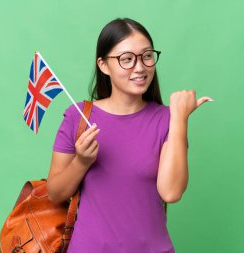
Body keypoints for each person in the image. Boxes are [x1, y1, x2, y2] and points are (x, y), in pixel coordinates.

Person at [47, 18, 213, 253]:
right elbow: (55, 194)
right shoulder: (77, 116)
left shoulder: (168, 119)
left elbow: (171, 192)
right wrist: (81, 162)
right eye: (127, 59)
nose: (140, 67)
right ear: (104, 65)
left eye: (146, 56)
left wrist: (179, 118)